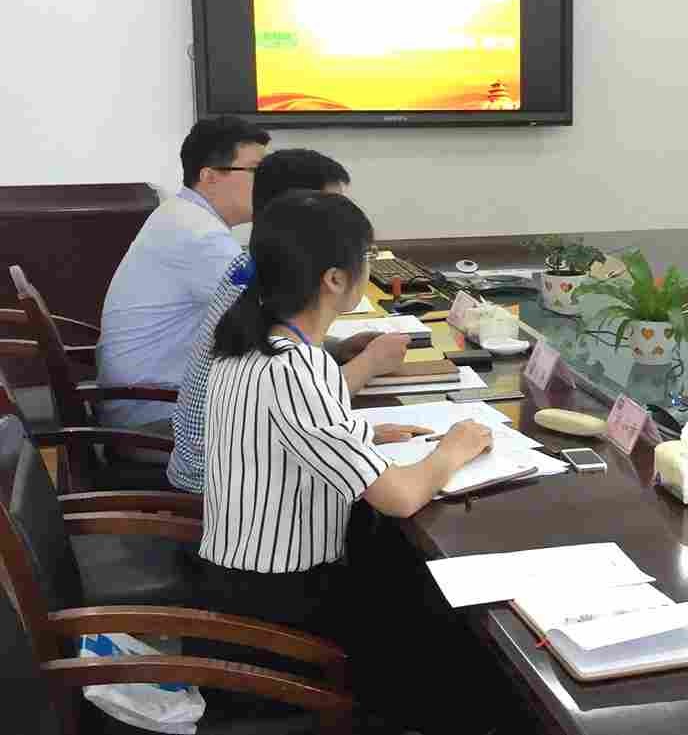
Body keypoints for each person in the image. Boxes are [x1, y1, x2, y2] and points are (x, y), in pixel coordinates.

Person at [195, 190, 493, 712]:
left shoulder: (250, 338)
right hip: (276, 622)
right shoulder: (295, 368)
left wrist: (359, 437)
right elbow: (399, 497)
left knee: (406, 581)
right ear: (334, 279)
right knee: (445, 631)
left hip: (241, 591)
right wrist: (453, 448)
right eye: (364, 259)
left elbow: (281, 437)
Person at [166, 148, 409, 493]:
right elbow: (298, 392)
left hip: (221, 468)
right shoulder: (253, 288)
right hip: (214, 484)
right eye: (331, 208)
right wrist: (370, 363)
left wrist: (337, 348)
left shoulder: (251, 270)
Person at [97, 116, 270, 432]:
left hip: (151, 403)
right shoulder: (199, 235)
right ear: (209, 176)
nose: (268, 184)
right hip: (157, 418)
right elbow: (271, 319)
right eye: (257, 171)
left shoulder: (183, 216)